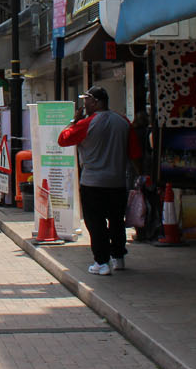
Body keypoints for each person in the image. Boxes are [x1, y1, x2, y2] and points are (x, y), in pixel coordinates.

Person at [57, 86, 139, 276]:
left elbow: (63, 139)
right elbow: (134, 153)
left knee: (96, 223)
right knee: (117, 221)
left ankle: (101, 262)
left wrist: (73, 121)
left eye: (86, 100)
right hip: (118, 182)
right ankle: (119, 257)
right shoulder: (123, 121)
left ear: (95, 102)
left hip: (93, 183)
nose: (84, 104)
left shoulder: (86, 123)